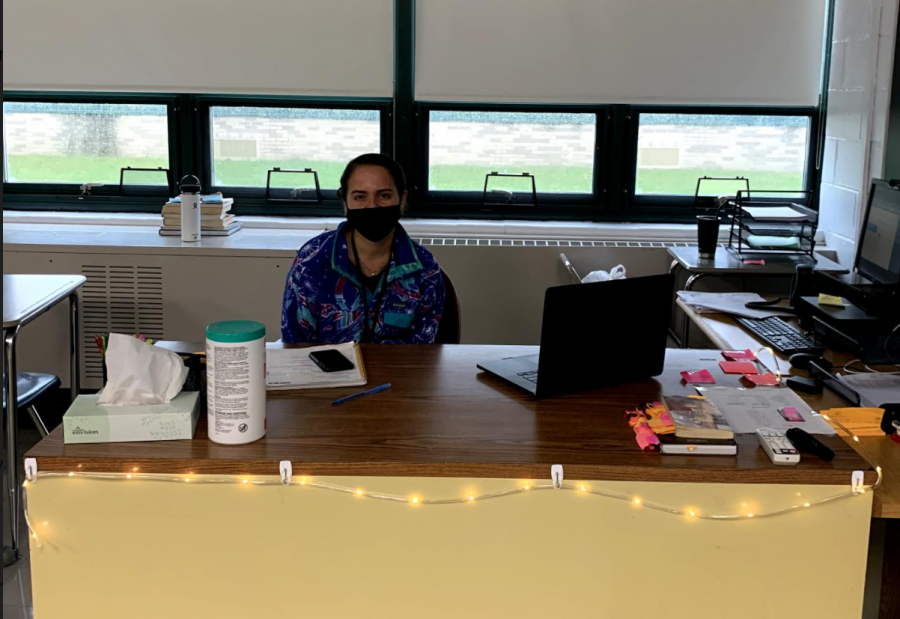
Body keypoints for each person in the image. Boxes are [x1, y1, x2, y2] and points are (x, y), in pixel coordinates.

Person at [281, 154, 445, 344]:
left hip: (398, 373)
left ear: (402, 199)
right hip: (323, 373)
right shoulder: (312, 260)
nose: (372, 206)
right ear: (345, 203)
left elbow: (422, 350)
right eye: (360, 197)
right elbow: (295, 343)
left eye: (384, 196)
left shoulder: (424, 267)